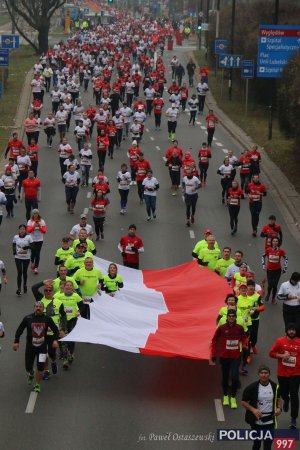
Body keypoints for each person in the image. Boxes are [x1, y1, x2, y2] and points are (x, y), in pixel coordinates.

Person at [13, 301, 59, 393]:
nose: (38, 308)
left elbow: (55, 330)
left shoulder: (47, 319)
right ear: (34, 307)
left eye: (40, 307)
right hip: (30, 347)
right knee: (28, 366)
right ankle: (31, 373)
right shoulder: (28, 318)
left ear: (43, 308)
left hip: (42, 348)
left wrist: (55, 340)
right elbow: (19, 330)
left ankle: (37, 384)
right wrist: (16, 341)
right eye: (37, 306)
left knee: (41, 367)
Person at [210, 309, 248, 409]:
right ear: (227, 317)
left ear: (235, 317)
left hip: (235, 356)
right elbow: (214, 340)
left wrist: (244, 345)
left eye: (233, 316)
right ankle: (226, 396)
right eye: (229, 316)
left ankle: (233, 397)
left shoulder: (239, 328)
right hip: (224, 356)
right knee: (225, 377)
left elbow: (244, 338)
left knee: (235, 377)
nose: (231, 317)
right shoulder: (222, 328)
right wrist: (213, 354)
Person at [31, 281, 66, 380]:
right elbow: (33, 288)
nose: (47, 291)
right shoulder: (40, 299)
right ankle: (46, 370)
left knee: (51, 353)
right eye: (46, 290)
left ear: (53, 291)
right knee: (43, 353)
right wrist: (43, 282)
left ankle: (54, 361)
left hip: (53, 332)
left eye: (50, 290)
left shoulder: (59, 303)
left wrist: (63, 329)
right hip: (41, 332)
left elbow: (63, 316)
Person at [241, 365, 282, 450]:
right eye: (261, 373)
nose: (264, 375)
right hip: (257, 422)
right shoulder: (252, 388)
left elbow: (278, 399)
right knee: (257, 445)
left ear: (269, 374)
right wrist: (254, 410)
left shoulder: (275, 387)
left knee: (267, 446)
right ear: (259, 374)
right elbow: (243, 402)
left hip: (270, 421)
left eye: (266, 373)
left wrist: (279, 408)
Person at [269, 323, 300, 430]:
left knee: (295, 394)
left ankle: (293, 419)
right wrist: (282, 356)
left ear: (296, 332)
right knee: (283, 392)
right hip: (282, 373)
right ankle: (286, 400)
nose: (292, 332)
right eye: (290, 330)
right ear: (286, 331)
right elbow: (271, 353)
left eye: (293, 330)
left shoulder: (299, 342)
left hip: (296, 373)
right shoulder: (280, 341)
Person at [54, 280, 84, 369]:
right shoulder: (58, 296)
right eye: (67, 285)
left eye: (70, 285)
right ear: (64, 286)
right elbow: (52, 304)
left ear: (72, 287)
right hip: (62, 321)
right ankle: (65, 359)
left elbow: (82, 306)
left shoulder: (76, 296)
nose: (68, 287)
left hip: (72, 320)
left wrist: (79, 311)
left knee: (71, 339)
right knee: (62, 339)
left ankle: (71, 353)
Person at [262, 237, 288, 304]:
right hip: (269, 270)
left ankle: (273, 299)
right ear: (272, 242)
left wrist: (285, 268)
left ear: (278, 243)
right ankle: (268, 293)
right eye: (274, 241)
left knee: (275, 285)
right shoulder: (268, 249)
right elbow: (263, 256)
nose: (275, 242)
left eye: (276, 241)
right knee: (270, 284)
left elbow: (286, 258)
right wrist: (263, 265)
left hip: (277, 270)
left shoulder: (280, 251)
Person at [277, 272, 300, 338]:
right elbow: (279, 296)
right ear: (292, 279)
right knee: (289, 327)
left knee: (298, 327)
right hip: (287, 309)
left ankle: (297, 343)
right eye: (295, 281)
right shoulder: (284, 285)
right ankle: (288, 342)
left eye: (298, 281)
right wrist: (287, 297)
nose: (296, 283)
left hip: (298, 308)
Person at [13, 224, 33, 296]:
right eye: (21, 229)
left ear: (25, 230)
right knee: (19, 272)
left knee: (24, 272)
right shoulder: (16, 237)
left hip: (26, 257)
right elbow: (14, 244)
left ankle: (24, 284)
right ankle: (19, 289)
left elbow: (33, 247)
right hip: (17, 257)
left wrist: (27, 247)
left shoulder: (29, 237)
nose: (22, 230)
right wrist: (14, 251)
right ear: (19, 230)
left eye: (23, 229)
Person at [27, 209, 46, 275]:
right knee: (33, 253)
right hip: (32, 240)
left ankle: (36, 268)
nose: (35, 215)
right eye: (34, 214)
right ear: (32, 214)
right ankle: (32, 262)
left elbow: (44, 231)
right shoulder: (30, 221)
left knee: (37, 254)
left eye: (36, 214)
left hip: (40, 240)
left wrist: (40, 227)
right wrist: (34, 226)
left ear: (38, 214)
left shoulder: (42, 221)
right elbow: (29, 231)